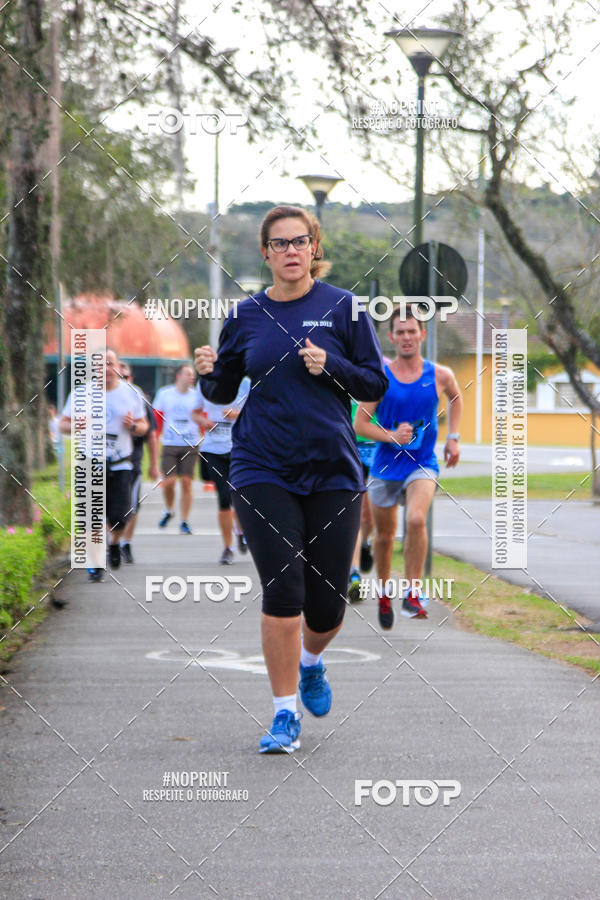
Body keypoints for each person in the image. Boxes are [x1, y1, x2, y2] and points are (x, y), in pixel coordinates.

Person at [195, 205, 387, 754]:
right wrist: (210, 373)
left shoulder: (344, 308)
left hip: (331, 467)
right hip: (261, 466)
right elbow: (223, 389)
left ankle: (311, 663)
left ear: (313, 247)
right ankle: (284, 715)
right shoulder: (246, 315)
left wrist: (332, 365)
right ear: (266, 253)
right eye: (279, 244)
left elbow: (374, 382)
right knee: (284, 590)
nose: (290, 251)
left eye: (299, 241)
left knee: (327, 606)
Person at [354, 306, 462, 629]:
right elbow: (359, 423)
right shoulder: (380, 377)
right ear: (391, 338)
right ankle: (386, 593)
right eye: (399, 332)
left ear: (422, 335)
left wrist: (453, 438)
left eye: (411, 331)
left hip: (423, 463)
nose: (406, 337)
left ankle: (413, 591)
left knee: (416, 518)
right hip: (385, 466)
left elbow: (456, 399)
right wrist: (390, 435)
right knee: (385, 537)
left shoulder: (440, 375)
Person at [59, 348, 149, 581]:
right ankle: (96, 561)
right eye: (100, 364)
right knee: (92, 516)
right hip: (90, 462)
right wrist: (76, 425)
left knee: (120, 516)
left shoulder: (131, 393)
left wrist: (132, 426)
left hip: (120, 463)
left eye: (110, 363)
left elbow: (144, 427)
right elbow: (63, 425)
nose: (106, 369)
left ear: (118, 367)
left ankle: (115, 543)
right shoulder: (81, 394)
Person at [193, 377, 251, 564]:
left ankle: (241, 531)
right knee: (224, 497)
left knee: (239, 496)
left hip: (238, 447)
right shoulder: (205, 383)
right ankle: (228, 548)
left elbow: (257, 412)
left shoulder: (245, 382)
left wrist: (237, 414)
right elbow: (194, 414)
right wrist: (204, 421)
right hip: (213, 449)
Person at [153, 364, 203, 535]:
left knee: (187, 482)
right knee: (169, 482)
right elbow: (157, 419)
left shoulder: (197, 395)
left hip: (190, 443)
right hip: (170, 443)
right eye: (188, 374)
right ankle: (169, 509)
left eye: (193, 375)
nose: (192, 377)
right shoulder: (165, 394)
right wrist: (155, 437)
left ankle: (184, 520)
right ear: (179, 375)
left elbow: (203, 417)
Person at [118, 363, 160, 564]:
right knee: (108, 506)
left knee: (131, 506)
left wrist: (154, 464)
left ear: (131, 378)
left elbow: (151, 433)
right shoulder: (98, 397)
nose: (122, 380)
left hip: (132, 461)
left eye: (125, 377)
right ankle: (112, 543)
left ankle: (125, 543)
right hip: (105, 461)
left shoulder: (137, 397)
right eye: (119, 376)